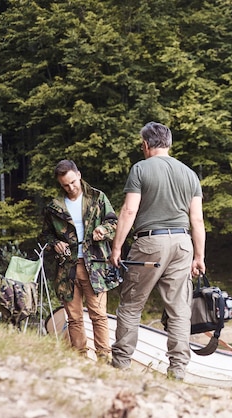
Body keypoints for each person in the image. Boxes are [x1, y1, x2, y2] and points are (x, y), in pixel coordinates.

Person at [109, 121, 206, 380]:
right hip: (183, 244)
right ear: (169, 143)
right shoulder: (189, 174)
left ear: (145, 144)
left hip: (150, 243)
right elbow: (197, 220)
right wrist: (199, 257)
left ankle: (121, 365)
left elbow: (129, 210)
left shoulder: (140, 169)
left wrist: (116, 247)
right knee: (179, 310)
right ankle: (177, 371)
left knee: (131, 304)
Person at [40, 159, 119, 362]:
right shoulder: (53, 207)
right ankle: (80, 360)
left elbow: (114, 222)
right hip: (67, 269)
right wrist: (55, 243)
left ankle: (104, 359)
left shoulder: (98, 197)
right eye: (65, 185)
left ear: (79, 175)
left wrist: (104, 230)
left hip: (96, 266)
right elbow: (45, 236)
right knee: (74, 318)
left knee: (99, 316)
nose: (71, 187)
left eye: (73, 182)